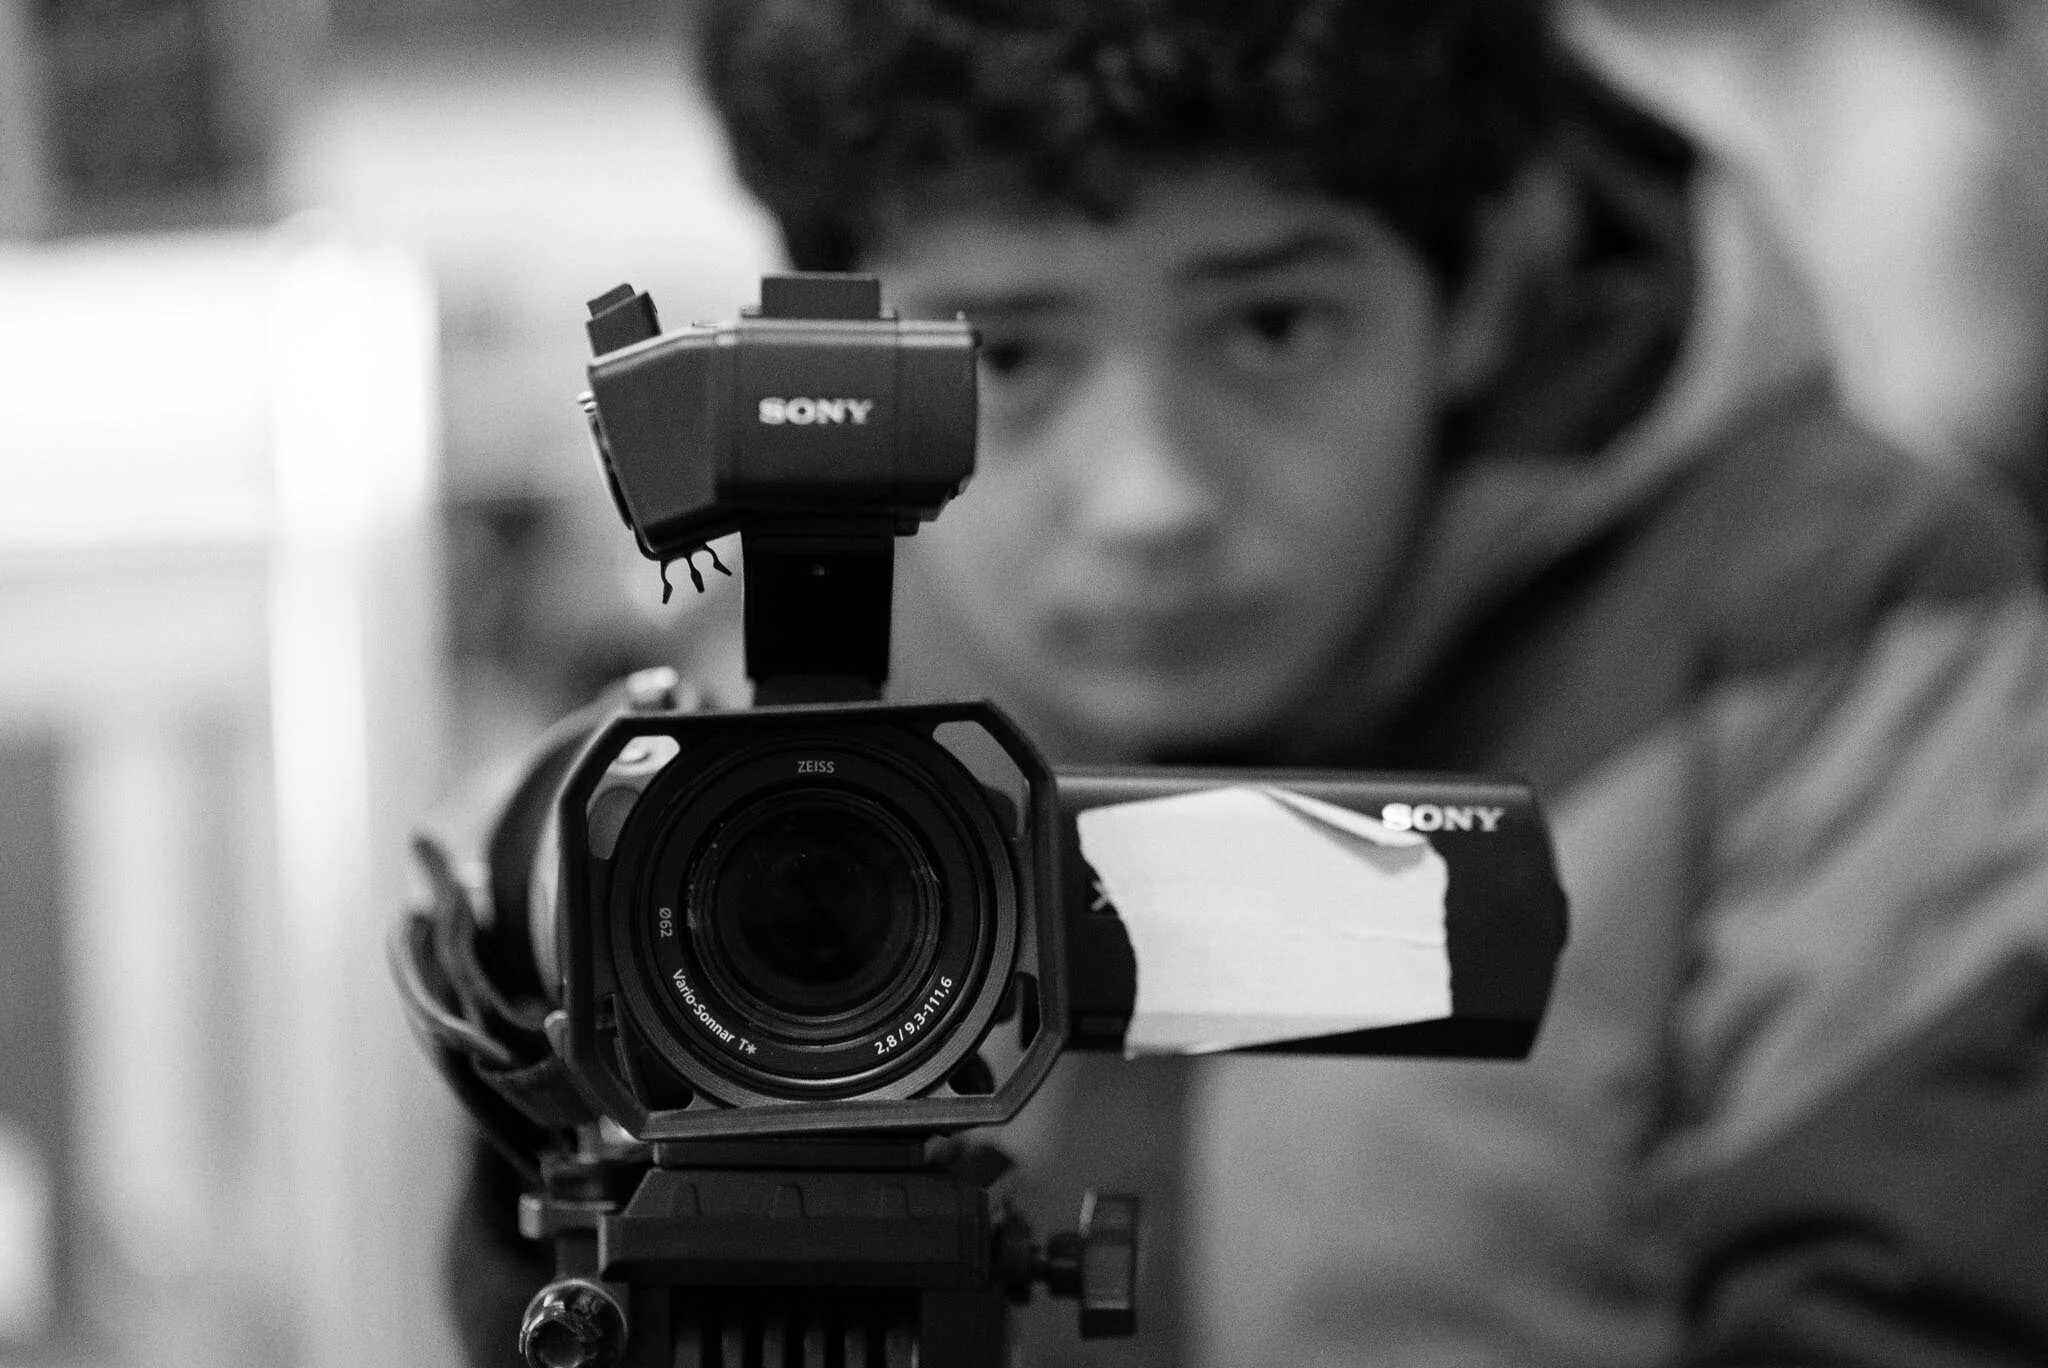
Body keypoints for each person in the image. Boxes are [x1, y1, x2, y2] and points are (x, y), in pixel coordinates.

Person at [451, 1, 2048, 1363]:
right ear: (845, 342)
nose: (1148, 499)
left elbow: (1908, 1315)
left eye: (1274, 326)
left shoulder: (1843, 616)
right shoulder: (772, 675)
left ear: (1485, 289)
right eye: (1011, 355)